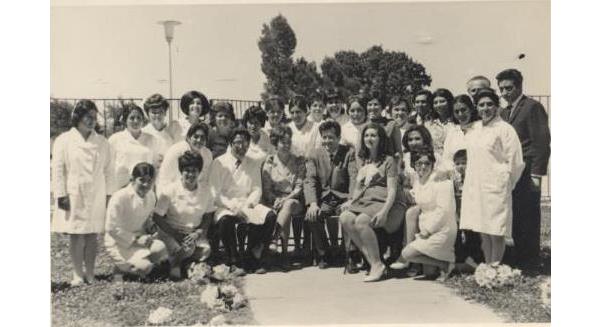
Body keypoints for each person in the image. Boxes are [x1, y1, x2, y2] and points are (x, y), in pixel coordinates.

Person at [460, 89, 525, 264]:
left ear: (496, 107)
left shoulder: (505, 129)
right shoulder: (475, 129)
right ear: (477, 107)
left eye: (490, 104)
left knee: (496, 230)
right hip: (476, 186)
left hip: (496, 187)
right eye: (481, 105)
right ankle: (488, 266)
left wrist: (506, 182)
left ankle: (495, 267)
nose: (485, 108)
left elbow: (516, 161)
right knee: (483, 229)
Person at [51, 99, 111, 286]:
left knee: (92, 234)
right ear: (78, 117)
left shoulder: (102, 142)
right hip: (74, 193)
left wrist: (108, 195)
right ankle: (78, 274)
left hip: (96, 192)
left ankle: (91, 273)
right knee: (76, 234)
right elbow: (58, 169)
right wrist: (61, 194)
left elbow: (108, 170)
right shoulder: (64, 140)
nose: (91, 120)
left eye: (94, 117)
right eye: (87, 117)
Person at [496, 68, 551, 269]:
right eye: (501, 89)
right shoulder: (502, 112)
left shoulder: (533, 107)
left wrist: (537, 173)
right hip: (510, 172)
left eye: (508, 88)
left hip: (528, 171)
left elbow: (542, 142)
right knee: (514, 213)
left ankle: (530, 261)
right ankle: (516, 257)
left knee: (528, 215)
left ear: (519, 86)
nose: (504, 92)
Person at [340, 123, 405, 282]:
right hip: (366, 200)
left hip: (384, 200)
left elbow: (392, 190)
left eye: (373, 135)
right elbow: (358, 188)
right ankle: (375, 263)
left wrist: (384, 212)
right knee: (345, 217)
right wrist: (351, 201)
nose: (369, 139)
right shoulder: (364, 161)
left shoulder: (389, 160)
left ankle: (376, 264)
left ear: (381, 139)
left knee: (361, 221)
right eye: (367, 135)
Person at [209, 128, 278, 274]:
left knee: (270, 216)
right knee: (225, 221)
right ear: (230, 143)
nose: (242, 147)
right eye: (238, 143)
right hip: (225, 205)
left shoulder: (252, 163)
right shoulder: (218, 163)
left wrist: (248, 205)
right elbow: (215, 193)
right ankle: (234, 261)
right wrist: (234, 208)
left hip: (247, 203)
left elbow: (256, 189)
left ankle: (251, 255)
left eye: (246, 143)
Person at [153, 151, 215, 279]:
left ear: (199, 172)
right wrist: (176, 235)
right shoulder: (170, 190)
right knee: (188, 249)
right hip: (171, 232)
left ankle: (179, 261)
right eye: (187, 170)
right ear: (181, 171)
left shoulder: (206, 191)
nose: (191, 174)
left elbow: (208, 216)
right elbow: (157, 217)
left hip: (193, 233)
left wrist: (197, 233)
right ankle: (175, 264)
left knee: (205, 251)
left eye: (194, 170)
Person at [305, 121, 356, 270]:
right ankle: (324, 253)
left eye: (331, 137)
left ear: (339, 138)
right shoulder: (314, 154)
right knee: (312, 216)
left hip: (344, 198)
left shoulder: (349, 153)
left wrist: (351, 199)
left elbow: (354, 177)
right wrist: (313, 203)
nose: (327, 141)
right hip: (325, 199)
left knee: (350, 214)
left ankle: (350, 255)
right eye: (324, 137)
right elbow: (310, 180)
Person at [400, 148, 457, 281]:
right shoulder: (418, 182)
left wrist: (428, 230)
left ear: (433, 164)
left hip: (443, 228)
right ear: (414, 165)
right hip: (426, 227)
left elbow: (444, 211)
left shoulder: (441, 182)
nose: (423, 167)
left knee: (407, 254)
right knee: (429, 272)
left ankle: (446, 264)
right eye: (419, 163)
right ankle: (462, 266)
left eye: (427, 163)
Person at [105, 162, 168, 280]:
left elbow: (145, 220)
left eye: (150, 181)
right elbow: (111, 228)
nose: (146, 184)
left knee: (161, 248)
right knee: (145, 267)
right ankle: (121, 268)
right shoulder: (119, 197)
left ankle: (134, 265)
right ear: (132, 179)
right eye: (142, 180)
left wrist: (151, 228)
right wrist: (135, 240)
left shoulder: (151, 196)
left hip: (139, 239)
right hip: (118, 242)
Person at [261, 125, 306, 270]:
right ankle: (284, 255)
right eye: (282, 142)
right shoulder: (269, 161)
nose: (286, 145)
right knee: (282, 210)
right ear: (275, 143)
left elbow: (299, 187)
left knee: (288, 205)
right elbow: (266, 188)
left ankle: (275, 240)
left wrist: (284, 200)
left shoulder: (298, 161)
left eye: (288, 142)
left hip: (294, 200)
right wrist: (275, 200)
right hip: (274, 201)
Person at [107, 103, 160, 193]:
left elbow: (155, 167)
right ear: (125, 120)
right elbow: (109, 169)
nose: (136, 121)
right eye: (132, 118)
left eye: (139, 118)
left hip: (145, 190)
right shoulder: (115, 139)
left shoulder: (151, 139)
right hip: (121, 189)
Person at [450, 150, 482, 270]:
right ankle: (461, 257)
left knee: (472, 235)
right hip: (459, 211)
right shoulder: (455, 180)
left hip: (471, 212)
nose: (461, 166)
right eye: (457, 164)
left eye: (464, 163)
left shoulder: (473, 179)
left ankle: (476, 257)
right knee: (458, 234)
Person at [156, 122, 213, 191]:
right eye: (196, 136)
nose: (199, 140)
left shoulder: (207, 154)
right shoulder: (176, 151)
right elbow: (164, 179)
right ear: (188, 137)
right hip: (174, 193)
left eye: (202, 137)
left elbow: (205, 180)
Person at [440, 95, 480, 171]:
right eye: (456, 111)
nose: (460, 114)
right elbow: (446, 159)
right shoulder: (452, 132)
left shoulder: (481, 128)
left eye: (463, 110)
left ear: (471, 109)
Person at [365, 92, 403, 159]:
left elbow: (398, 150)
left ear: (382, 107)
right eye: (369, 105)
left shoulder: (391, 124)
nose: (372, 108)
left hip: (388, 164)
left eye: (376, 104)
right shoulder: (364, 125)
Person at [141, 94, 177, 163]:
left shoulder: (171, 133)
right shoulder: (142, 133)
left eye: (160, 112)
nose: (157, 115)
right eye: (154, 112)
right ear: (148, 114)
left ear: (165, 113)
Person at [430, 88, 456, 156]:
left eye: (442, 101)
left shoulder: (456, 122)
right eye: (435, 103)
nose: (439, 105)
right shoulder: (430, 124)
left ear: (450, 102)